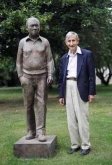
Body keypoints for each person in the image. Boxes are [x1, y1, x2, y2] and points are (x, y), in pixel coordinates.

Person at [16, 17, 55, 142]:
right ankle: (30, 131)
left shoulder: (45, 42)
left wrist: (50, 75)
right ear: (27, 27)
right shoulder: (22, 42)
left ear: (40, 27)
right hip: (27, 77)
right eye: (32, 25)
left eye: (36, 25)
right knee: (28, 105)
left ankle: (41, 132)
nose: (34, 28)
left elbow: (50, 60)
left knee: (42, 105)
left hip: (42, 76)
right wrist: (20, 76)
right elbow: (18, 62)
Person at [58, 31, 96, 155]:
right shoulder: (64, 58)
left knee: (82, 117)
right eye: (69, 41)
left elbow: (91, 75)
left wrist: (91, 92)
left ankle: (85, 145)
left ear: (78, 41)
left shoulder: (87, 54)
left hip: (81, 87)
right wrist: (61, 95)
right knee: (71, 119)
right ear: (66, 43)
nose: (71, 43)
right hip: (67, 87)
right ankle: (75, 145)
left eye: (73, 40)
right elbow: (60, 78)